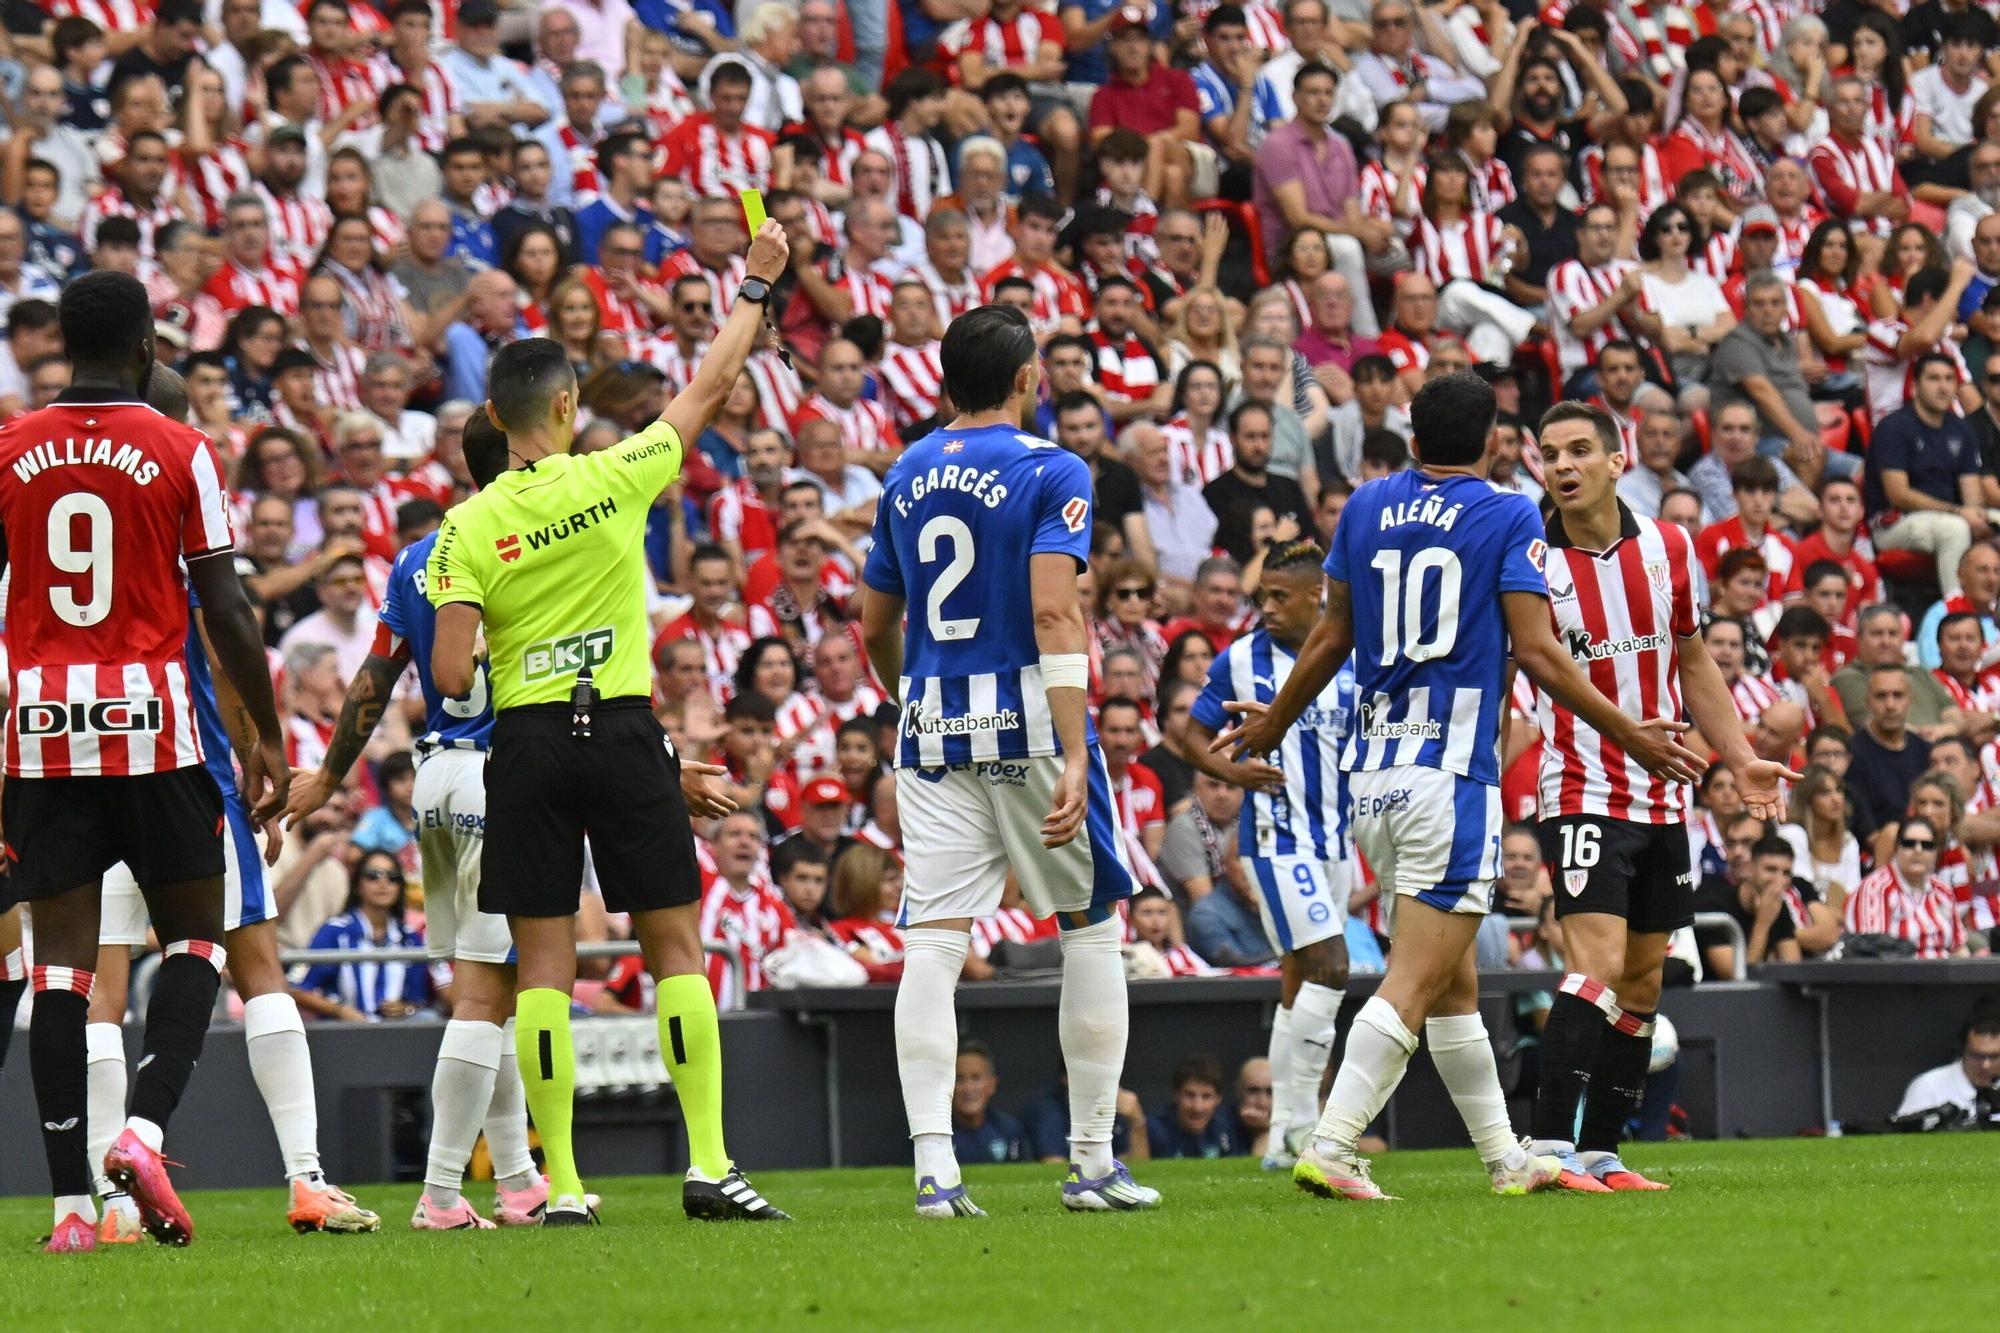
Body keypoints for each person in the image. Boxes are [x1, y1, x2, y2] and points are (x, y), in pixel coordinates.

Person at [1216, 372, 1701, 1202]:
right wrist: (1628, 730)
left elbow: (1333, 631)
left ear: (1411, 435)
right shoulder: (1508, 512)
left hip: (1372, 774)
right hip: (1449, 775)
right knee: (1414, 979)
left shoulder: (1364, 505)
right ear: (1493, 444)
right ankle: (1331, 1141)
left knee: (1453, 987)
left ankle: (1508, 1157)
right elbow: (1542, 654)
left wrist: (1276, 721)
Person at [426, 225, 797, 1226]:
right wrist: (755, 284)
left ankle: (569, 1187)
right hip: (625, 731)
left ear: (494, 418)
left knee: (541, 970)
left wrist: (511, 644)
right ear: (562, 406)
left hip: (530, 743)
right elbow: (711, 387)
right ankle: (710, 1164)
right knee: (676, 948)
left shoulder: (463, 528)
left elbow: (453, 671)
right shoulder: (613, 476)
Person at [0, 272, 288, 1251]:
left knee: (61, 972)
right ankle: (144, 1128)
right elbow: (230, 609)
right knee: (200, 943)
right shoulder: (178, 446)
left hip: (42, 732)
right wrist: (267, 730)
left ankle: (70, 1213)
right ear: (146, 350)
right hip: (155, 732)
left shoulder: (8, 446)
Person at [858, 303, 1158, 1219]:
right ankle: (1093, 1160)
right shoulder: (1051, 468)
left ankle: (935, 1170)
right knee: (1090, 924)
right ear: (1028, 378)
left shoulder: (906, 470)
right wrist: (1076, 749)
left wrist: (909, 696)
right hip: (1028, 719)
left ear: (947, 380)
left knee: (935, 943)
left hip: (933, 730)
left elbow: (877, 622)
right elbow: (1058, 613)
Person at [84, 367, 376, 1245]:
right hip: (191, 780)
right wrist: (260, 753)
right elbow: (225, 640)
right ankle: (307, 1178)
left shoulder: (78, 503)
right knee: (257, 971)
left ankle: (110, 1207)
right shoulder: (183, 508)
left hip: (86, 771)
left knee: (100, 995)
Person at [1524, 403, 1793, 1192]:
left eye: (1579, 450)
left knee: (1644, 981)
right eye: (1548, 454)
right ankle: (1545, 1148)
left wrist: (1739, 757)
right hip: (1580, 785)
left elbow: (1695, 661)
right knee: (1597, 966)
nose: (1563, 465)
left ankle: (1603, 1153)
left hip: (1665, 796)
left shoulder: (1671, 546)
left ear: (1617, 461)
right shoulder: (1532, 561)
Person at [1183, 539, 1354, 1170]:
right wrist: (1236, 773)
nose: (1267, 608)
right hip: (1277, 841)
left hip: (1339, 841)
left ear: (1320, 596)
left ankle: (1282, 1130)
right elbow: (1192, 736)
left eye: (1280, 597)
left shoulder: (1350, 655)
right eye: (1261, 597)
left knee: (1301, 979)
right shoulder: (1241, 659)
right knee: (1332, 968)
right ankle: (1308, 1126)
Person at [1867, 353, 1998, 597]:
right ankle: (1957, 610)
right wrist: (1959, 512)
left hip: (1945, 515)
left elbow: (1972, 495)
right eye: (1934, 379)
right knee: (1955, 528)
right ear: (1915, 386)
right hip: (1895, 521)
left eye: (1949, 379)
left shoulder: (1961, 428)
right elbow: (1898, 495)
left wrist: (1979, 518)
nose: (1943, 386)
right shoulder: (1894, 427)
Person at [1845, 815, 1968, 958]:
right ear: (1897, 848)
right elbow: (1872, 954)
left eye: (1926, 845)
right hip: (1898, 975)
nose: (1918, 850)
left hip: (1945, 975)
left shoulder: (1943, 892)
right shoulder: (1875, 889)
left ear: (1936, 852)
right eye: (1909, 843)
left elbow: (1959, 949)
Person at [1896, 1010, 2000, 1117]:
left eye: (1994, 1057)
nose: (1985, 1065)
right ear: (1962, 1051)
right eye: (1977, 1056)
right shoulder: (1929, 1086)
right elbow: (1902, 1132)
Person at [951, 1040, 1030, 1164]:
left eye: (976, 1078)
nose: (968, 1088)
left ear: (992, 1084)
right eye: (959, 1079)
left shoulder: (1010, 1130)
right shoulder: (937, 1135)